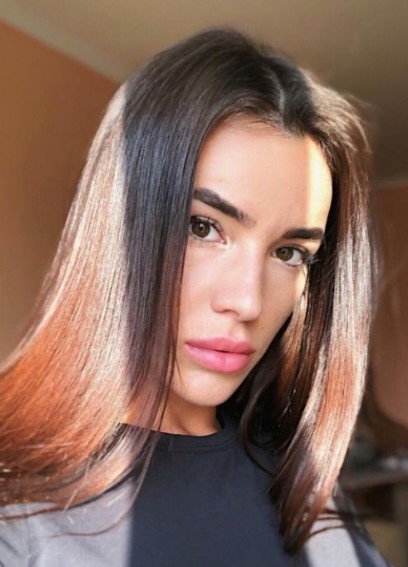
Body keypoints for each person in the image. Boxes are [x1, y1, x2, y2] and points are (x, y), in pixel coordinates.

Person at [0, 28, 389, 566]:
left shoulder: (299, 476)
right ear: (115, 227)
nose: (248, 302)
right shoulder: (18, 505)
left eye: (289, 253)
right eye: (202, 226)